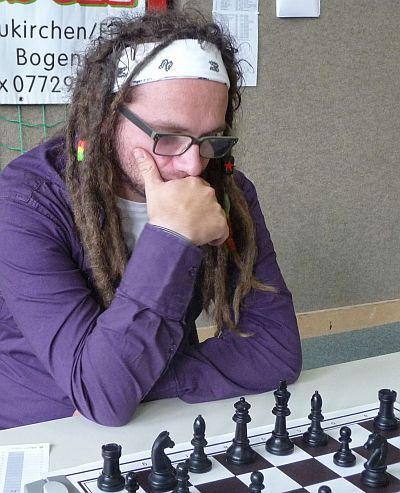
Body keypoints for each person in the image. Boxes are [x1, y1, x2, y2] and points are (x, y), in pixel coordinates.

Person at [0, 9, 302, 429]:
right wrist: (171, 236)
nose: (193, 166)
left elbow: (275, 349)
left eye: (210, 138)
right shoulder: (23, 203)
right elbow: (104, 396)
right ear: (106, 117)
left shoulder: (225, 192)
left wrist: (135, 385)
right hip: (41, 429)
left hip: (159, 418)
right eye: (168, 136)